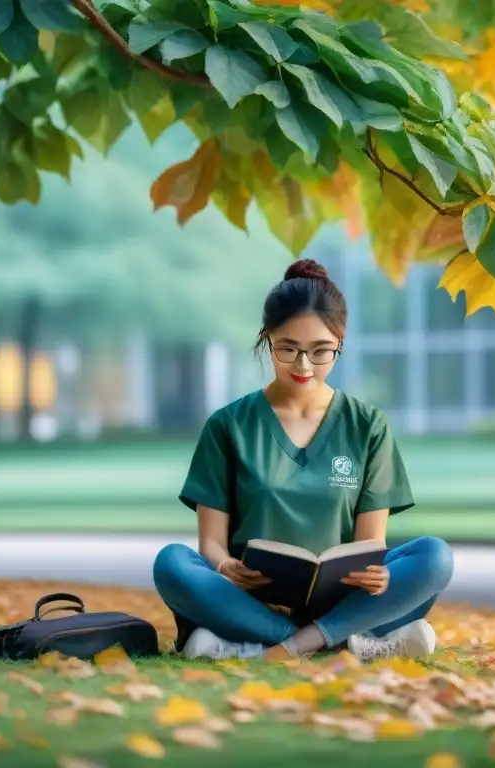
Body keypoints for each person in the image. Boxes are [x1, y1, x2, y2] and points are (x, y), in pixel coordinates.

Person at [153, 258, 455, 662]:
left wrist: (377, 573)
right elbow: (210, 541)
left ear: (341, 344)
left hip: (344, 597)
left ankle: (275, 647)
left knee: (434, 557)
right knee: (172, 563)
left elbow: (371, 542)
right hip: (251, 600)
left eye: (320, 351)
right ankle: (343, 641)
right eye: (288, 349)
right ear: (266, 338)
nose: (303, 366)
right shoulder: (228, 425)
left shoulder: (367, 425)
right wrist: (226, 566)